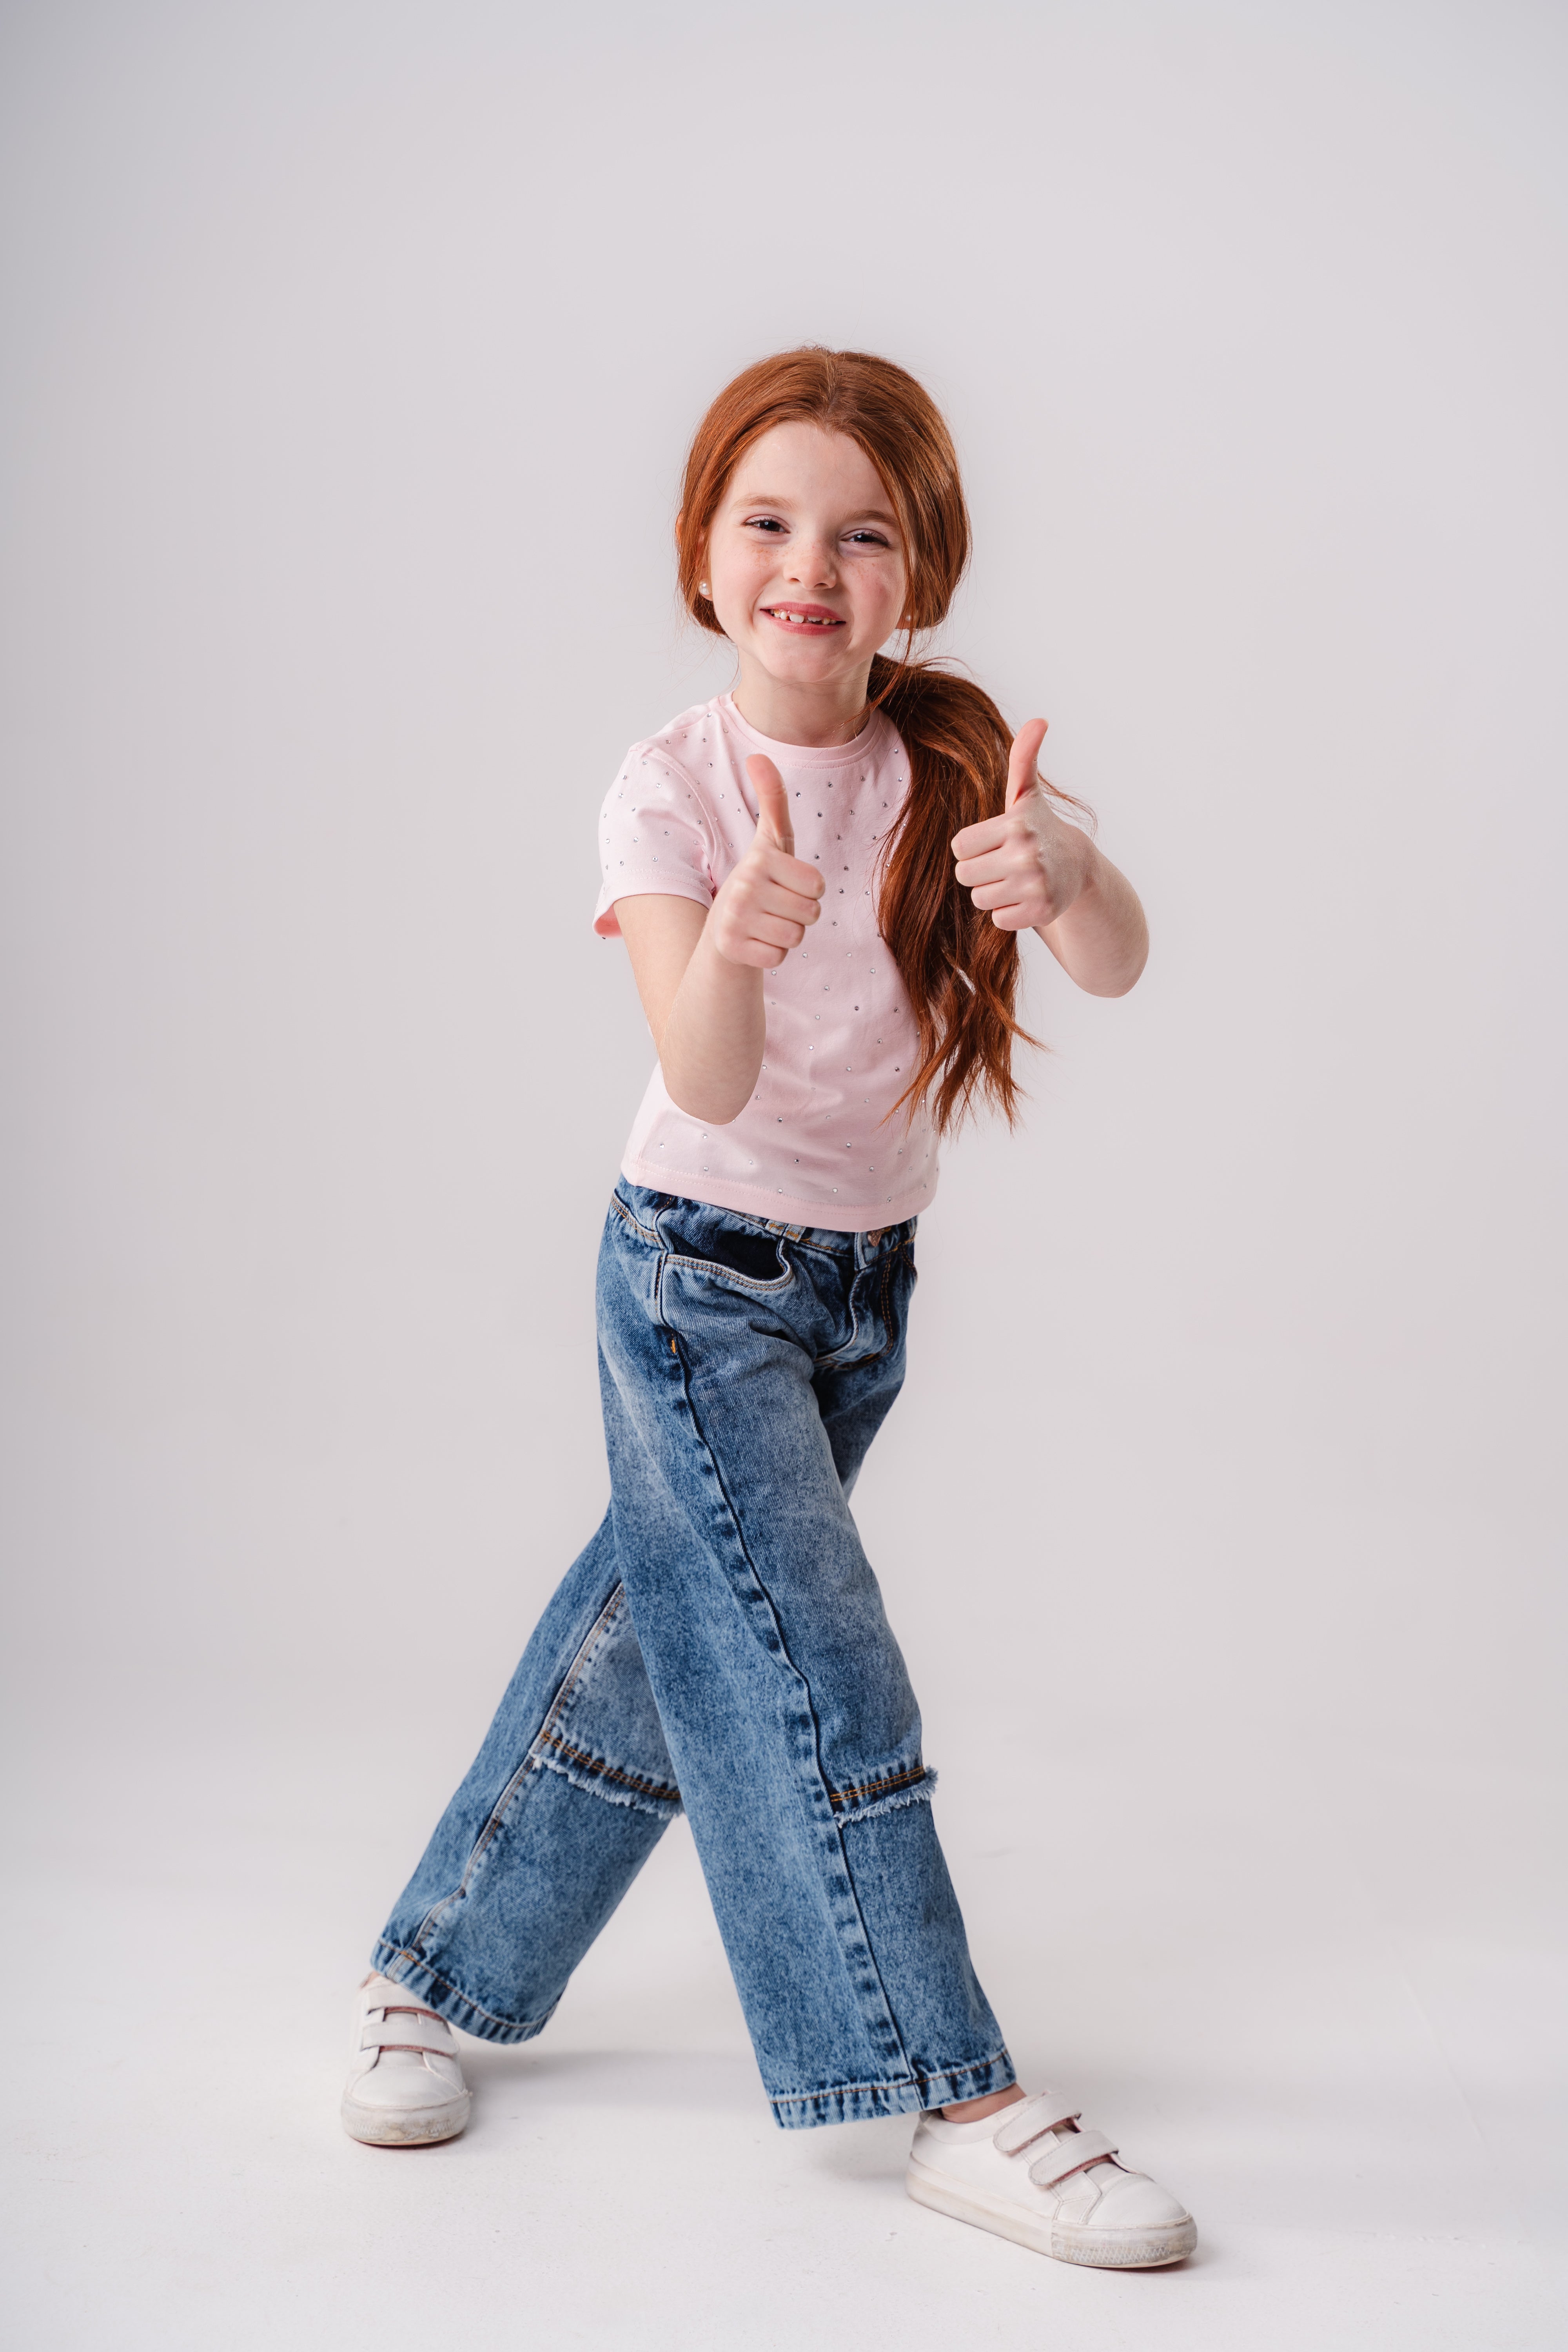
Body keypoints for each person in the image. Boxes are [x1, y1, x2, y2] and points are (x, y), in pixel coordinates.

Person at [339, 347, 1196, 2270]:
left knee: (661, 1647)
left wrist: (1068, 872)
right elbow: (706, 1079)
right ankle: (948, 2092)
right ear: (703, 562)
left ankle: (433, 1969)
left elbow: (1120, 963)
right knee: (812, 1665)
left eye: (864, 532)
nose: (813, 563)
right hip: (695, 1277)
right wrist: (727, 938)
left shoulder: (953, 762)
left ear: (922, 573)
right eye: (769, 523)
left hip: (863, 1291)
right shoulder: (667, 789)